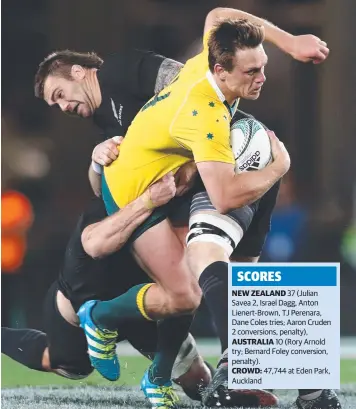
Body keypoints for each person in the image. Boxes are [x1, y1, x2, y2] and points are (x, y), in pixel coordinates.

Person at [34, 7, 338, 408]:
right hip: (139, 193)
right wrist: (279, 166)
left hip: (174, 175)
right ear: (222, 71)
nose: (262, 78)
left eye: (262, 67)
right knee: (190, 287)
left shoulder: (199, 68)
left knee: (225, 272)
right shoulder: (203, 112)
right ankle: (103, 318)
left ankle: (256, 373)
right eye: (251, 72)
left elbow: (220, 15)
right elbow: (226, 195)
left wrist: (290, 42)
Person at [1, 181, 213, 403]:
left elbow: (184, 296)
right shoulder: (117, 194)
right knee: (69, 365)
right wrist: (147, 201)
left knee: (199, 381)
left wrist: (162, 370)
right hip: (88, 299)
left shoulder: (188, 211)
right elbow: (95, 244)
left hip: (147, 308)